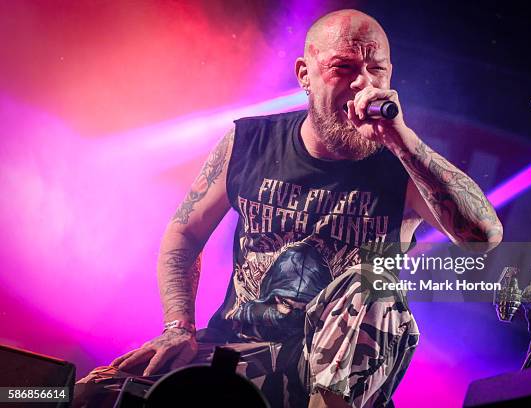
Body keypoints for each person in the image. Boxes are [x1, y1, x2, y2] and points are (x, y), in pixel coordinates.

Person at [75, 9, 503, 408]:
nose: (363, 84)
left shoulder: (404, 164)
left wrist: (402, 140)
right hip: (237, 351)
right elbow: (184, 233)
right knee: (60, 394)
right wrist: (178, 328)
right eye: (345, 68)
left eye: (377, 70)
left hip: (336, 370)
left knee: (373, 282)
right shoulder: (249, 143)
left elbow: (483, 236)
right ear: (305, 74)